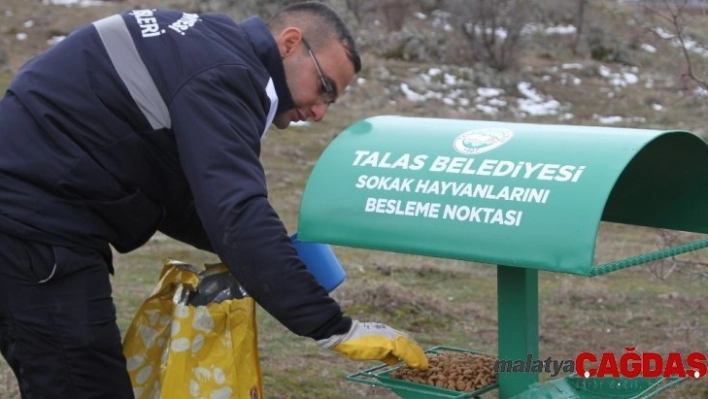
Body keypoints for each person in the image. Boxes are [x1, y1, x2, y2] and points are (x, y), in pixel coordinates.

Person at [0, 2, 428, 398]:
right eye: (324, 87)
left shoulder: (208, 47)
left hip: (31, 208)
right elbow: (235, 212)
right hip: (33, 226)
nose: (320, 112)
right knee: (85, 385)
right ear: (290, 43)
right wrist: (333, 327)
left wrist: (277, 259)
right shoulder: (226, 75)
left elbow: (186, 198)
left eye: (331, 100)